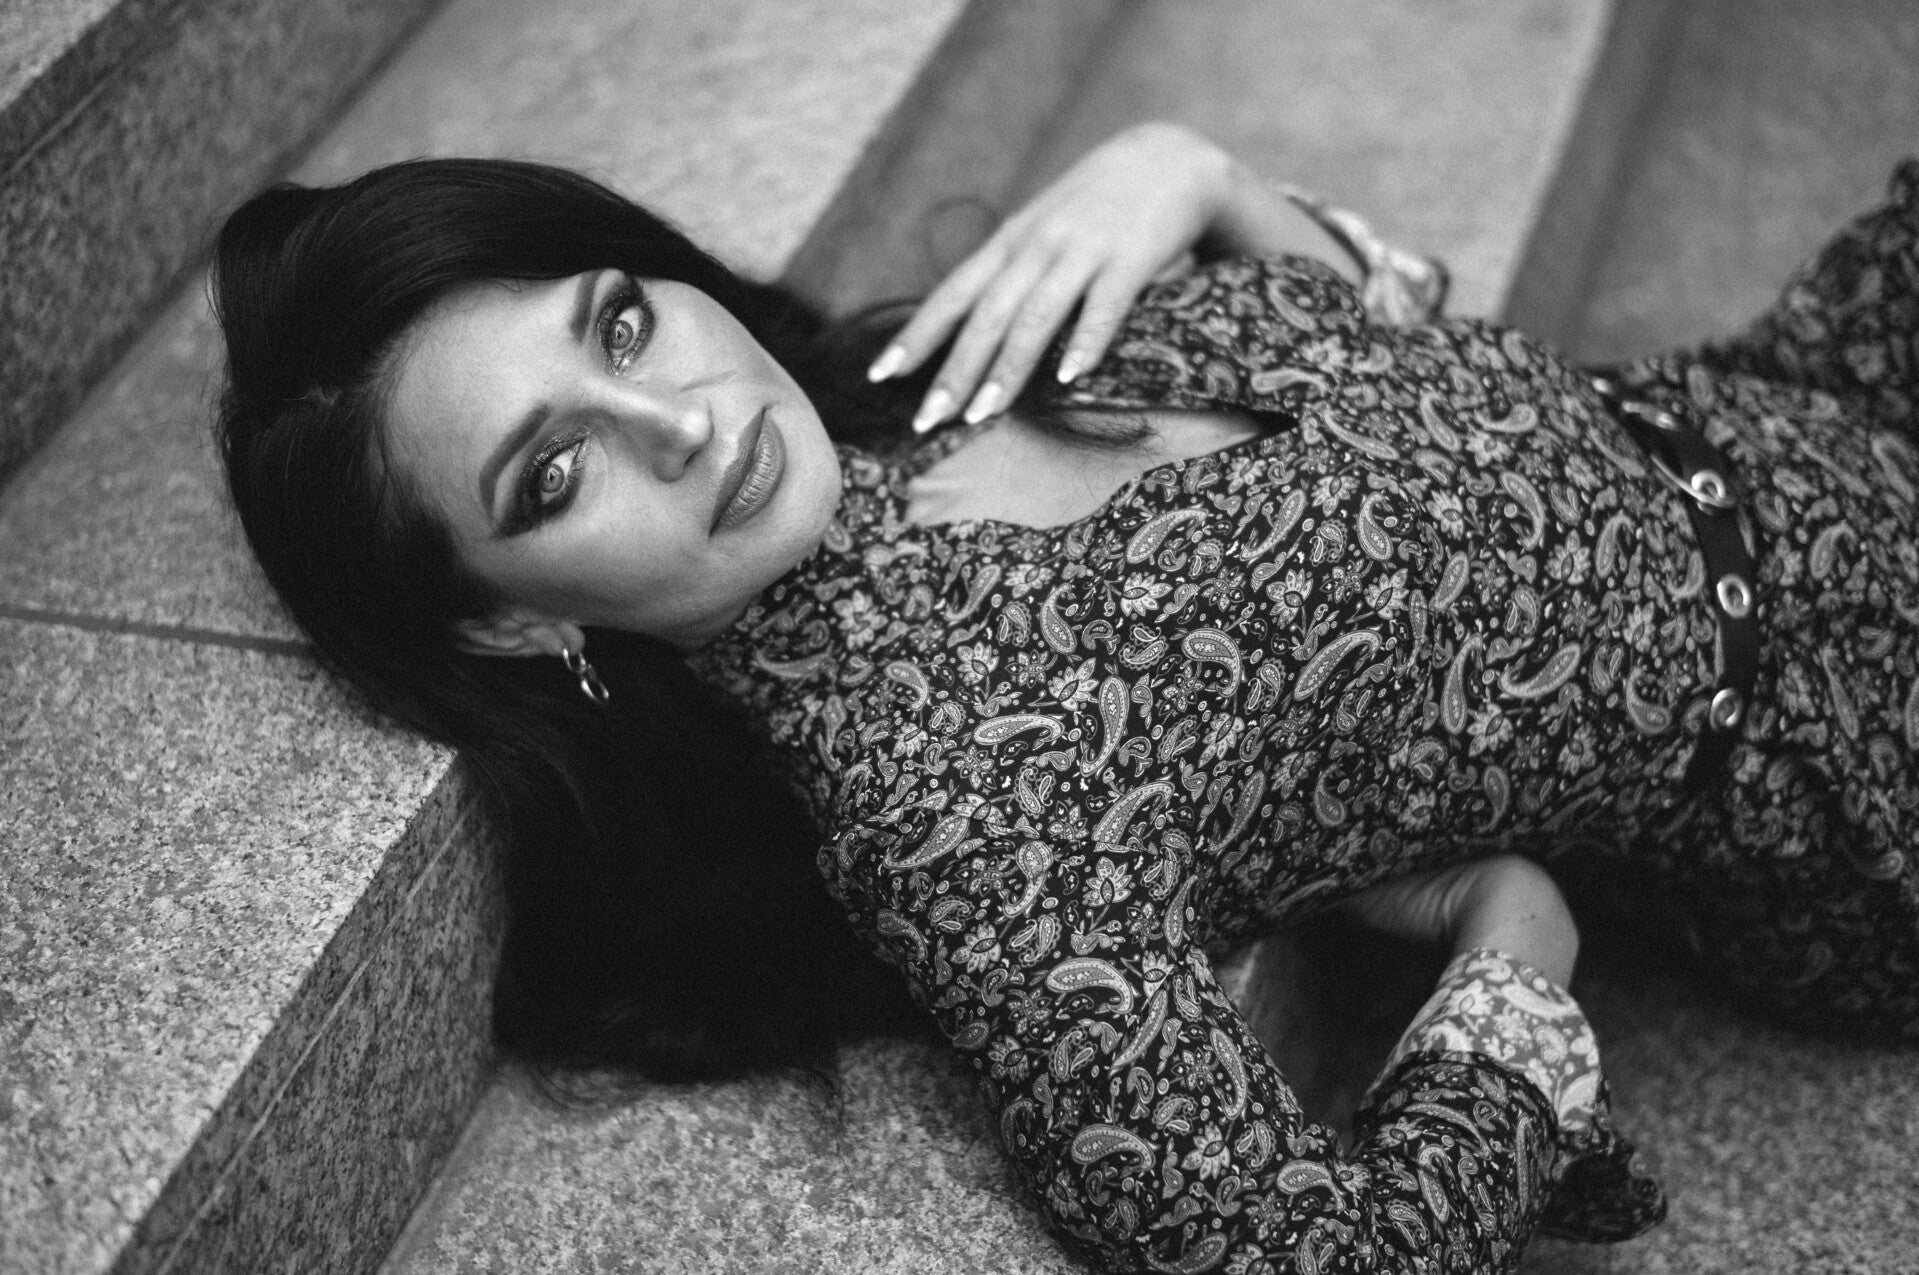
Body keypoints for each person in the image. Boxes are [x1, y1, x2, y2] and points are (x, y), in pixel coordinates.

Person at [211, 121, 1919, 1272]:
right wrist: (1517, 949)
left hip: (1790, 404)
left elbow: (1417, 386)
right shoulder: (960, 814)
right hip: (1855, 747)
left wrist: (1191, 170)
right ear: (515, 626)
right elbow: (1310, 1253)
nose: (679, 425)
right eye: (556, 472)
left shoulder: (922, 380)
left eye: (623, 327)